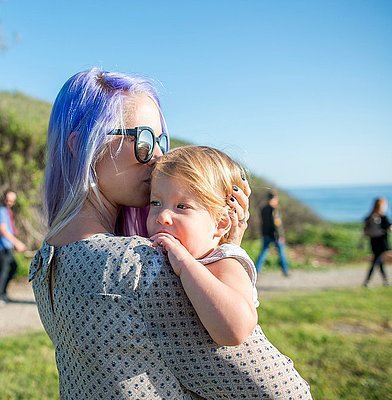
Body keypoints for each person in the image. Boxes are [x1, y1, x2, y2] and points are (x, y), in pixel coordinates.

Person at [29, 68, 311, 399]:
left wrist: (222, 249)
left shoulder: (45, 262)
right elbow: (284, 392)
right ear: (84, 145)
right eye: (144, 140)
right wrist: (223, 255)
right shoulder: (139, 269)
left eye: (162, 141)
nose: (160, 156)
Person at [147, 145, 310, 390]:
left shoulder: (226, 260)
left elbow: (234, 330)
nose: (162, 216)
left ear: (221, 222)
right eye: (156, 202)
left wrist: (185, 263)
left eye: (182, 207)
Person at [0, 190, 26, 305]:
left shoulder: (7, 211)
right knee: (3, 271)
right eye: (8, 200)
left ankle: (3, 293)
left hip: (8, 246)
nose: (9, 202)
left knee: (13, 267)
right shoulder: (0, 210)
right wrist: (16, 243)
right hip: (1, 246)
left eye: (12, 201)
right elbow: (2, 230)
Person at [255, 190, 290, 276]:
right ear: (274, 198)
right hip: (275, 235)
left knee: (263, 252)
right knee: (281, 253)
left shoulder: (263, 208)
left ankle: (256, 270)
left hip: (266, 234)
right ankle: (285, 270)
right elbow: (277, 224)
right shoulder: (275, 210)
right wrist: (280, 235)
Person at [362, 197, 390, 287]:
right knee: (376, 261)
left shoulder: (370, 216)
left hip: (373, 241)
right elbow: (389, 227)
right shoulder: (382, 217)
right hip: (381, 241)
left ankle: (385, 281)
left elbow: (364, 228)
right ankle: (367, 281)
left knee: (379, 261)